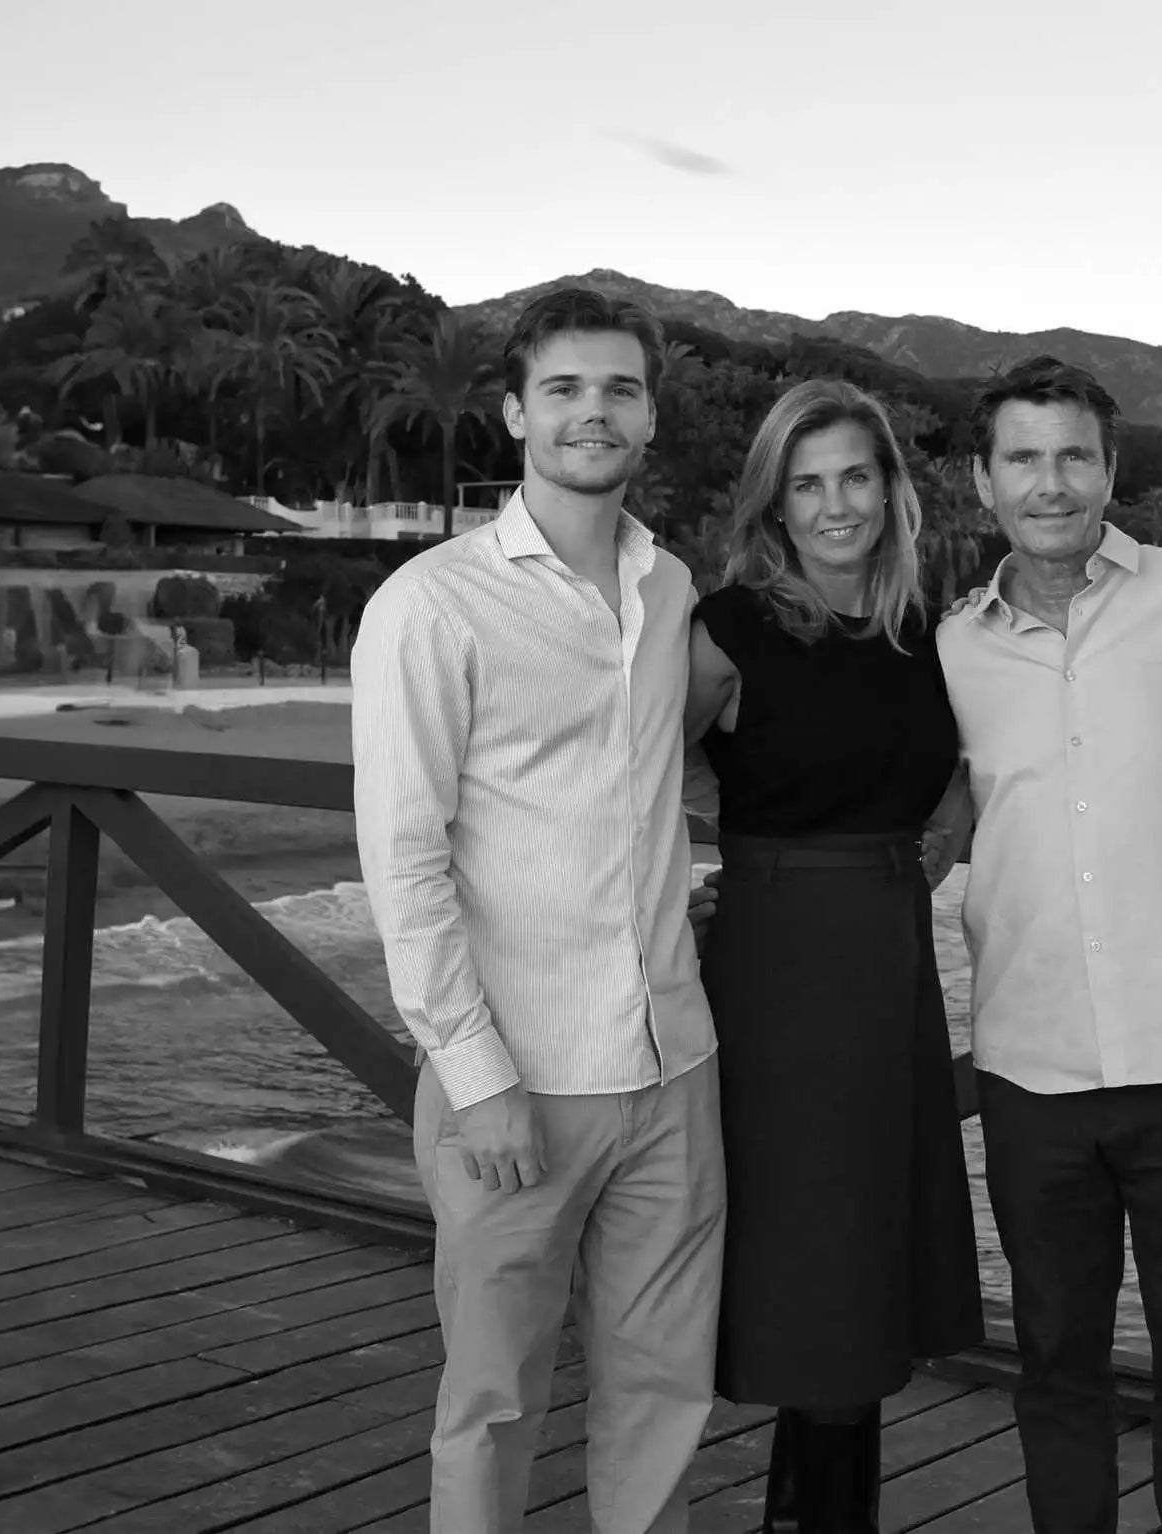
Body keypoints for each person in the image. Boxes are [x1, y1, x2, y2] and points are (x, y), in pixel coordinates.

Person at [351, 286, 725, 1534]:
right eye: (563, 387)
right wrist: (475, 1075)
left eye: (619, 388)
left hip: (675, 1065)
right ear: (514, 411)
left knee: (663, 1389)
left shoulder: (669, 589)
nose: (592, 411)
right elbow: (403, 860)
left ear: (651, 418)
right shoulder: (431, 603)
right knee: (495, 1395)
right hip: (519, 1079)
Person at [937, 356, 1162, 1534]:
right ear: (982, 483)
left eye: (1072, 455)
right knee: (1055, 1366)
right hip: (1030, 1072)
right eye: (1023, 459)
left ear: (1110, 468)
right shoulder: (950, 652)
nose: (1051, 483)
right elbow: (914, 833)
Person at [685, 378, 984, 1531]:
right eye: (806, 484)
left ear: (891, 489)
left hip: (890, 956)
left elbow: (957, 752)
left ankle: (804, 1511)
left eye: (855, 476)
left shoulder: (927, 630)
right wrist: (717, 880)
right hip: (776, 968)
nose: (834, 504)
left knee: (859, 1253)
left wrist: (956, 798)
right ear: (775, 502)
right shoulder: (731, 629)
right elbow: (628, 770)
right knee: (806, 1248)